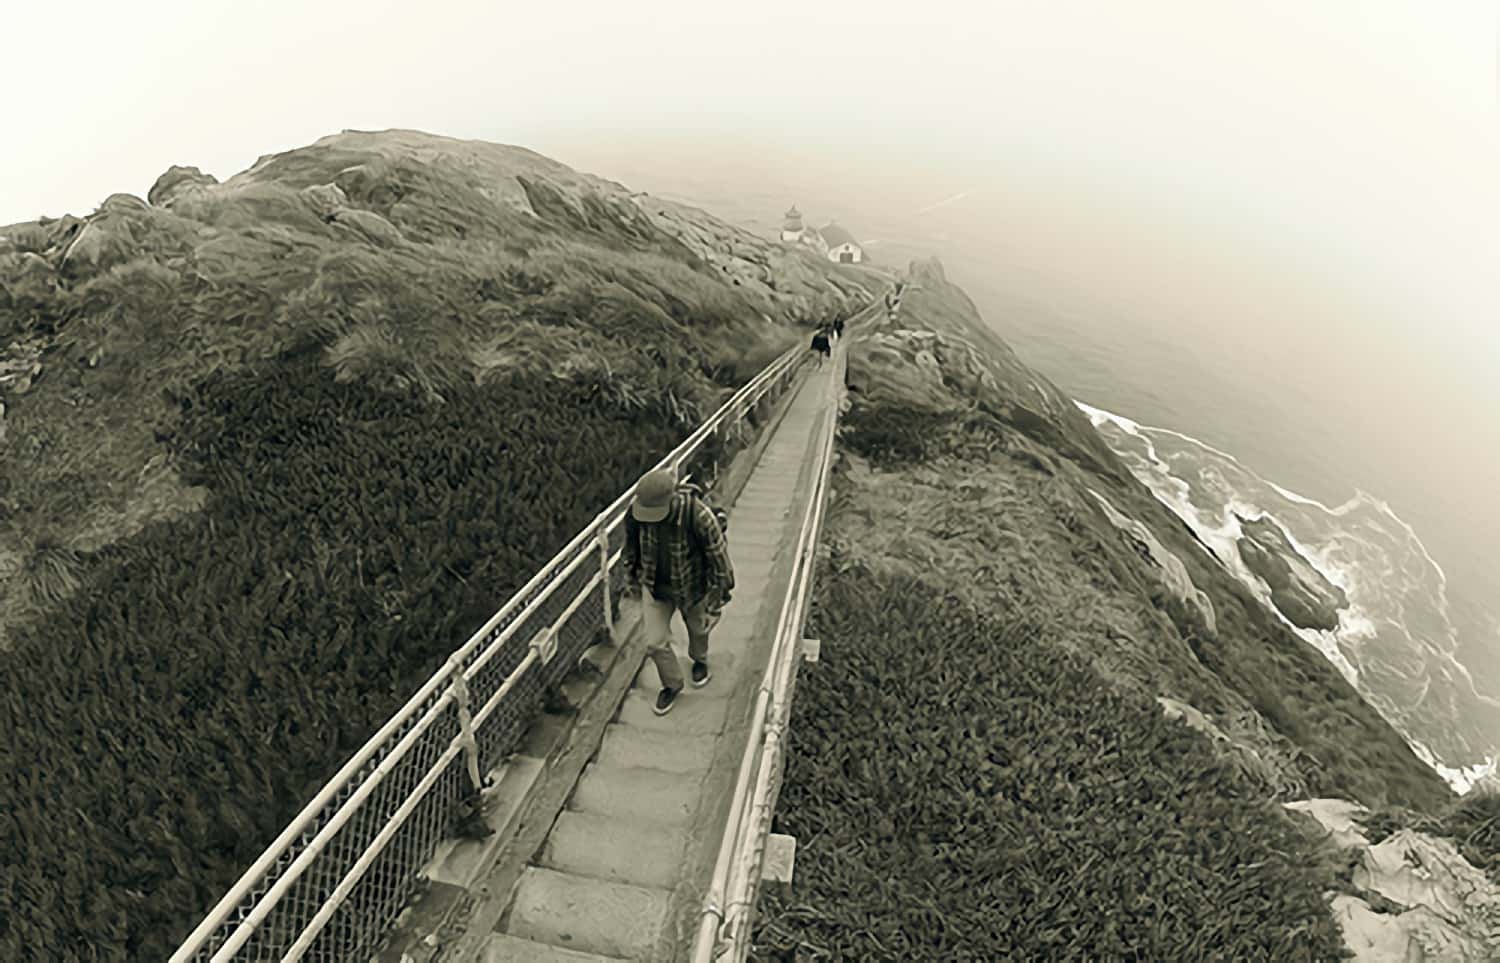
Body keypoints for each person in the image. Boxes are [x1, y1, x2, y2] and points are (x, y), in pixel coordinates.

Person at [624, 469, 735, 715]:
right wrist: (631, 577)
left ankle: (700, 660)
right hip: (654, 585)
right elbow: (630, 547)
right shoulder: (637, 512)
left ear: (672, 499)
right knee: (654, 642)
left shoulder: (697, 515)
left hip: (692, 586)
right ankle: (672, 684)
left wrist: (718, 598)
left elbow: (719, 558)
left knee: (698, 628)